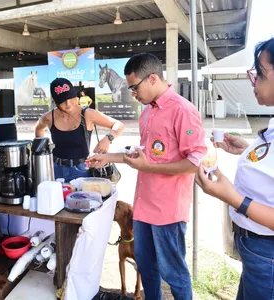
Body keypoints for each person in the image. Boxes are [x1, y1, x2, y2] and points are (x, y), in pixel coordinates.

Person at [88, 53, 207, 299]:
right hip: (143, 208)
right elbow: (144, 156)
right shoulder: (147, 112)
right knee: (147, 269)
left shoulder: (183, 110)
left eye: (134, 87)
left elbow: (194, 163)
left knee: (174, 273)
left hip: (168, 211)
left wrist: (149, 167)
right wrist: (108, 157)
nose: (133, 94)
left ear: (152, 78)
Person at [195, 38, 274, 300]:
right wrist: (249, 150)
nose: (253, 81)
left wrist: (233, 198)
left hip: (267, 254)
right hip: (255, 251)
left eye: (258, 73)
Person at [35, 78, 124, 183]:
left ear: (76, 97)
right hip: (55, 169)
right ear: (55, 101)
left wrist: (108, 138)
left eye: (71, 98)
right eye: (62, 100)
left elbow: (119, 125)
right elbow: (38, 128)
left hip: (82, 170)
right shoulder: (49, 117)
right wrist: (42, 151)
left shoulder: (87, 114)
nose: (68, 104)